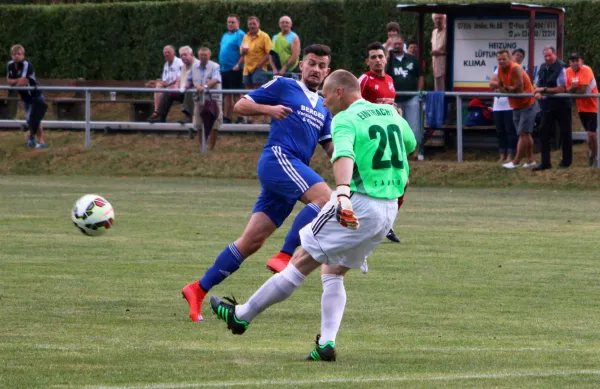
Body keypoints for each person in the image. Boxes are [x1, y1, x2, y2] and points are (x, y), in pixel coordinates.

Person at [209, 69, 417, 362]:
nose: (324, 103)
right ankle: (326, 344)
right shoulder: (390, 113)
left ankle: (241, 316)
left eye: (326, 96)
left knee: (300, 261)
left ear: (339, 93)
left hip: (358, 203)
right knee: (333, 271)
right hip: (388, 211)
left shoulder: (345, 117)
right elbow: (410, 145)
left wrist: (342, 191)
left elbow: (343, 154)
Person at [182, 45, 334, 322]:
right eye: (311, 63)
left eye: (322, 65)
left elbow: (331, 148)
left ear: (328, 71)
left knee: (250, 242)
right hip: (278, 159)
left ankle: (198, 289)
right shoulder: (284, 84)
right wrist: (269, 109)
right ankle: (286, 254)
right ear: (301, 65)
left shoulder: (325, 106)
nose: (316, 69)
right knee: (325, 199)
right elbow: (240, 105)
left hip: (292, 174)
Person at [358, 41, 403, 244]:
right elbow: (354, 106)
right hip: (370, 141)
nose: (377, 60)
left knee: (402, 182)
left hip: (389, 140)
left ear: (386, 58)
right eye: (373, 57)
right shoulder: (364, 80)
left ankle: (387, 223)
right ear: (367, 61)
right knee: (371, 184)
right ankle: (366, 222)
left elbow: (390, 107)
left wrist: (396, 112)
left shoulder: (390, 80)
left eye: (380, 56)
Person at [495, 50, 538, 170]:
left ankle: (516, 161)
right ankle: (530, 160)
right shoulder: (499, 69)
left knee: (523, 133)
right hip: (515, 105)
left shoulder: (515, 68)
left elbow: (518, 88)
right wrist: (506, 89)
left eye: (504, 59)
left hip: (527, 103)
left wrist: (506, 88)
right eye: (499, 59)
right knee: (526, 134)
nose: (501, 61)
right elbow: (499, 86)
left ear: (509, 59)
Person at [532, 46, 572, 171]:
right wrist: (537, 93)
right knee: (543, 132)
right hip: (547, 105)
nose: (548, 58)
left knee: (565, 133)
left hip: (562, 105)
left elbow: (562, 88)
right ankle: (545, 163)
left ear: (555, 54)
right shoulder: (543, 67)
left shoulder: (562, 67)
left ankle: (566, 162)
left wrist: (543, 90)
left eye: (550, 55)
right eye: (545, 56)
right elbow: (537, 84)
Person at [386, 35, 423, 155]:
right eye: (395, 44)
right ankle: (400, 151)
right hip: (395, 99)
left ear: (403, 45)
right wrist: (387, 55)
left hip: (411, 97)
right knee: (397, 125)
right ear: (392, 46)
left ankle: (416, 151)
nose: (397, 46)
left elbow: (420, 76)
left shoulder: (411, 58)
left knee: (414, 124)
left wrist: (419, 92)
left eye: (399, 44)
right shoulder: (388, 60)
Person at [7, 44, 47, 148]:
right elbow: (9, 81)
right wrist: (16, 81)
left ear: (23, 55)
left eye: (19, 54)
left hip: (35, 96)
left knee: (34, 119)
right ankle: (31, 139)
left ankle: (41, 142)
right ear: (12, 55)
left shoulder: (26, 65)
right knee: (30, 120)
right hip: (25, 97)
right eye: (14, 54)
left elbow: (23, 82)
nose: (16, 56)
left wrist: (15, 81)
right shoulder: (10, 65)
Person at [489, 49, 524, 162]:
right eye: (516, 55)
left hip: (510, 105)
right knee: (500, 131)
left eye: (520, 56)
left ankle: (510, 154)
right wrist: (503, 85)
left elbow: (517, 86)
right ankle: (502, 154)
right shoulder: (498, 69)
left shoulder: (517, 70)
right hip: (498, 106)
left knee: (510, 130)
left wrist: (503, 86)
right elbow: (491, 83)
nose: (518, 57)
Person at [566, 52, 598, 166]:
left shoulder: (586, 70)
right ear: (569, 62)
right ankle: (592, 154)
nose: (574, 63)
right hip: (581, 108)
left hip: (593, 106)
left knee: (592, 135)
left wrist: (573, 88)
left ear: (581, 61)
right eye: (572, 61)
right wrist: (572, 88)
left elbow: (583, 90)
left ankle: (594, 157)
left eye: (576, 60)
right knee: (589, 135)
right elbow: (567, 89)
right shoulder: (568, 71)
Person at [187, 48, 222, 151]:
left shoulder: (215, 66)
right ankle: (203, 147)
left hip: (214, 99)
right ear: (198, 55)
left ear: (209, 56)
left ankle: (211, 148)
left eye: (205, 55)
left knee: (215, 124)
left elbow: (216, 79)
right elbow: (189, 80)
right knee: (198, 124)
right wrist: (186, 86)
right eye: (201, 55)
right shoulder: (194, 67)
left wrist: (205, 87)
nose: (203, 57)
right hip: (198, 99)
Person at [150, 46, 197, 123]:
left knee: (189, 91)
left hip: (194, 93)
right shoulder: (184, 65)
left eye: (185, 55)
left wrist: (180, 85)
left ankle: (189, 118)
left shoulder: (196, 65)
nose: (183, 57)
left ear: (191, 54)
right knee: (168, 93)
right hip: (183, 91)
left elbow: (194, 82)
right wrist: (176, 86)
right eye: (181, 55)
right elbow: (179, 78)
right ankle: (161, 118)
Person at [219, 14, 246, 124]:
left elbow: (245, 53)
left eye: (232, 22)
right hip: (224, 69)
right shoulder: (225, 35)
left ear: (238, 23)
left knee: (238, 93)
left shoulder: (240, 35)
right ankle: (227, 117)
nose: (230, 24)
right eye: (229, 22)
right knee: (227, 94)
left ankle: (241, 117)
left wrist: (238, 65)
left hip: (235, 69)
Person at [147, 45, 184, 121]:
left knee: (162, 90)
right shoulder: (166, 64)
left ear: (174, 53)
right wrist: (156, 82)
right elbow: (165, 81)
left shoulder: (179, 62)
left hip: (179, 88)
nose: (166, 54)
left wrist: (167, 84)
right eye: (165, 52)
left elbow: (179, 78)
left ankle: (157, 113)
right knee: (158, 86)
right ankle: (157, 112)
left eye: (168, 52)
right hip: (169, 89)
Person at [241, 16, 272, 90]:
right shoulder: (245, 37)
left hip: (259, 68)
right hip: (247, 69)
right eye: (250, 24)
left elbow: (270, 53)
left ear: (258, 24)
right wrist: (243, 51)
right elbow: (241, 54)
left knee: (258, 91)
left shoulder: (264, 36)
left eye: (254, 24)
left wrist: (259, 64)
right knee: (248, 92)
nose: (252, 26)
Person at [431, 14, 447, 91]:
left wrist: (441, 52)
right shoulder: (434, 32)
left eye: (440, 18)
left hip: (445, 66)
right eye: (436, 18)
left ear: (444, 19)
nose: (438, 20)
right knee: (437, 91)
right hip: (435, 67)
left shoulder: (448, 31)